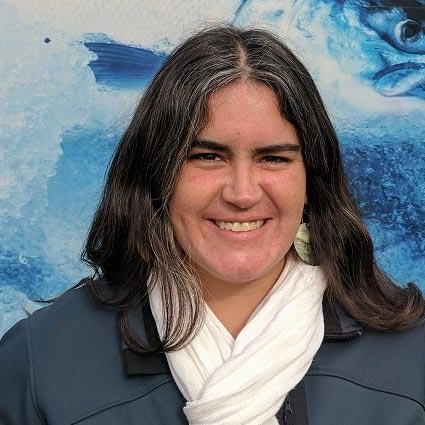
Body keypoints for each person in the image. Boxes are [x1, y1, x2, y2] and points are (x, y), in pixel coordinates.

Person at [0, 25, 424, 425]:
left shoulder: (412, 359)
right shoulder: (40, 363)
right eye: (207, 156)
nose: (242, 193)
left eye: (273, 158)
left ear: (312, 179)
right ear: (156, 172)